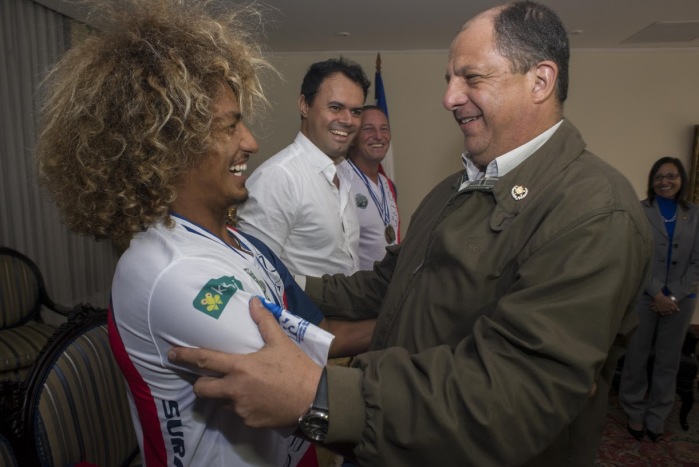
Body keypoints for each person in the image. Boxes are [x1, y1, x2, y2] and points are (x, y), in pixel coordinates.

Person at [168, 2, 653, 465]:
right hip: (392, 437)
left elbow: (511, 394)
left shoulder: (593, 210)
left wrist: (318, 394)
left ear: (540, 81)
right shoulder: (455, 189)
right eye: (449, 79)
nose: (448, 98)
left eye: (472, 78)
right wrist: (277, 285)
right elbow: (385, 282)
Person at [34, 1, 371, 465]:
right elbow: (307, 390)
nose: (251, 142)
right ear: (169, 143)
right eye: (231, 125)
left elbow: (309, 326)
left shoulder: (236, 240)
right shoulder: (175, 272)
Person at [236, 58, 370, 276]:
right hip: (298, 311)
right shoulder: (278, 177)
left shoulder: (345, 174)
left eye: (356, 112)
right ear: (304, 106)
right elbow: (255, 274)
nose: (348, 120)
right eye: (336, 107)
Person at [620, 157, 699, 442]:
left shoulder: (696, 214)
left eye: (671, 176)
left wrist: (672, 295)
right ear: (651, 181)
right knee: (636, 356)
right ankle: (634, 411)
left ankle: (657, 417)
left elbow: (697, 262)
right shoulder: (639, 211)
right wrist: (657, 293)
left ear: (681, 180)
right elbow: (634, 256)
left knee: (668, 361)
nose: (665, 182)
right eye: (659, 177)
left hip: (681, 300)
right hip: (644, 296)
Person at [344, 105, 400, 270]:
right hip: (356, 289)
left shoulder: (387, 184)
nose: (378, 136)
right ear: (353, 137)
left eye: (384, 129)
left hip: (387, 288)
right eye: (368, 129)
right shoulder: (340, 179)